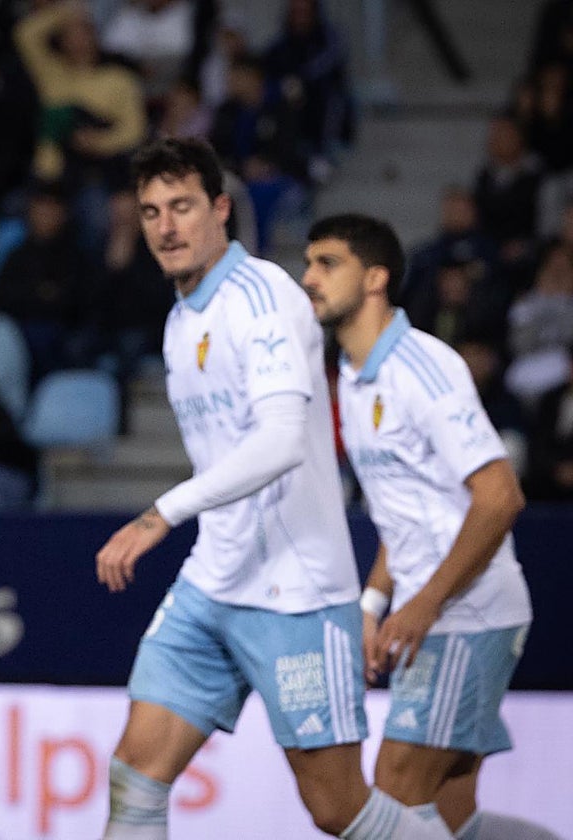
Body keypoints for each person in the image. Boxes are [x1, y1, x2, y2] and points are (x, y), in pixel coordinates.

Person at [93, 138, 450, 839]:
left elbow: (283, 441)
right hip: (213, 581)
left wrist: (161, 514)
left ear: (221, 209)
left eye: (183, 206)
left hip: (297, 593)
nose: (167, 226)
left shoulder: (265, 298)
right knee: (135, 776)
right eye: (152, 211)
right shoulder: (180, 319)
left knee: (337, 808)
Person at [304, 213, 559, 840]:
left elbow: (500, 498)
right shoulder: (355, 379)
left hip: (466, 617)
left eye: (327, 264)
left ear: (375, 279)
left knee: (389, 800)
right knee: (450, 818)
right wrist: (374, 603)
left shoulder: (421, 368)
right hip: (439, 616)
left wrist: (423, 604)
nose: (308, 279)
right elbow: (406, 514)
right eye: (308, 264)